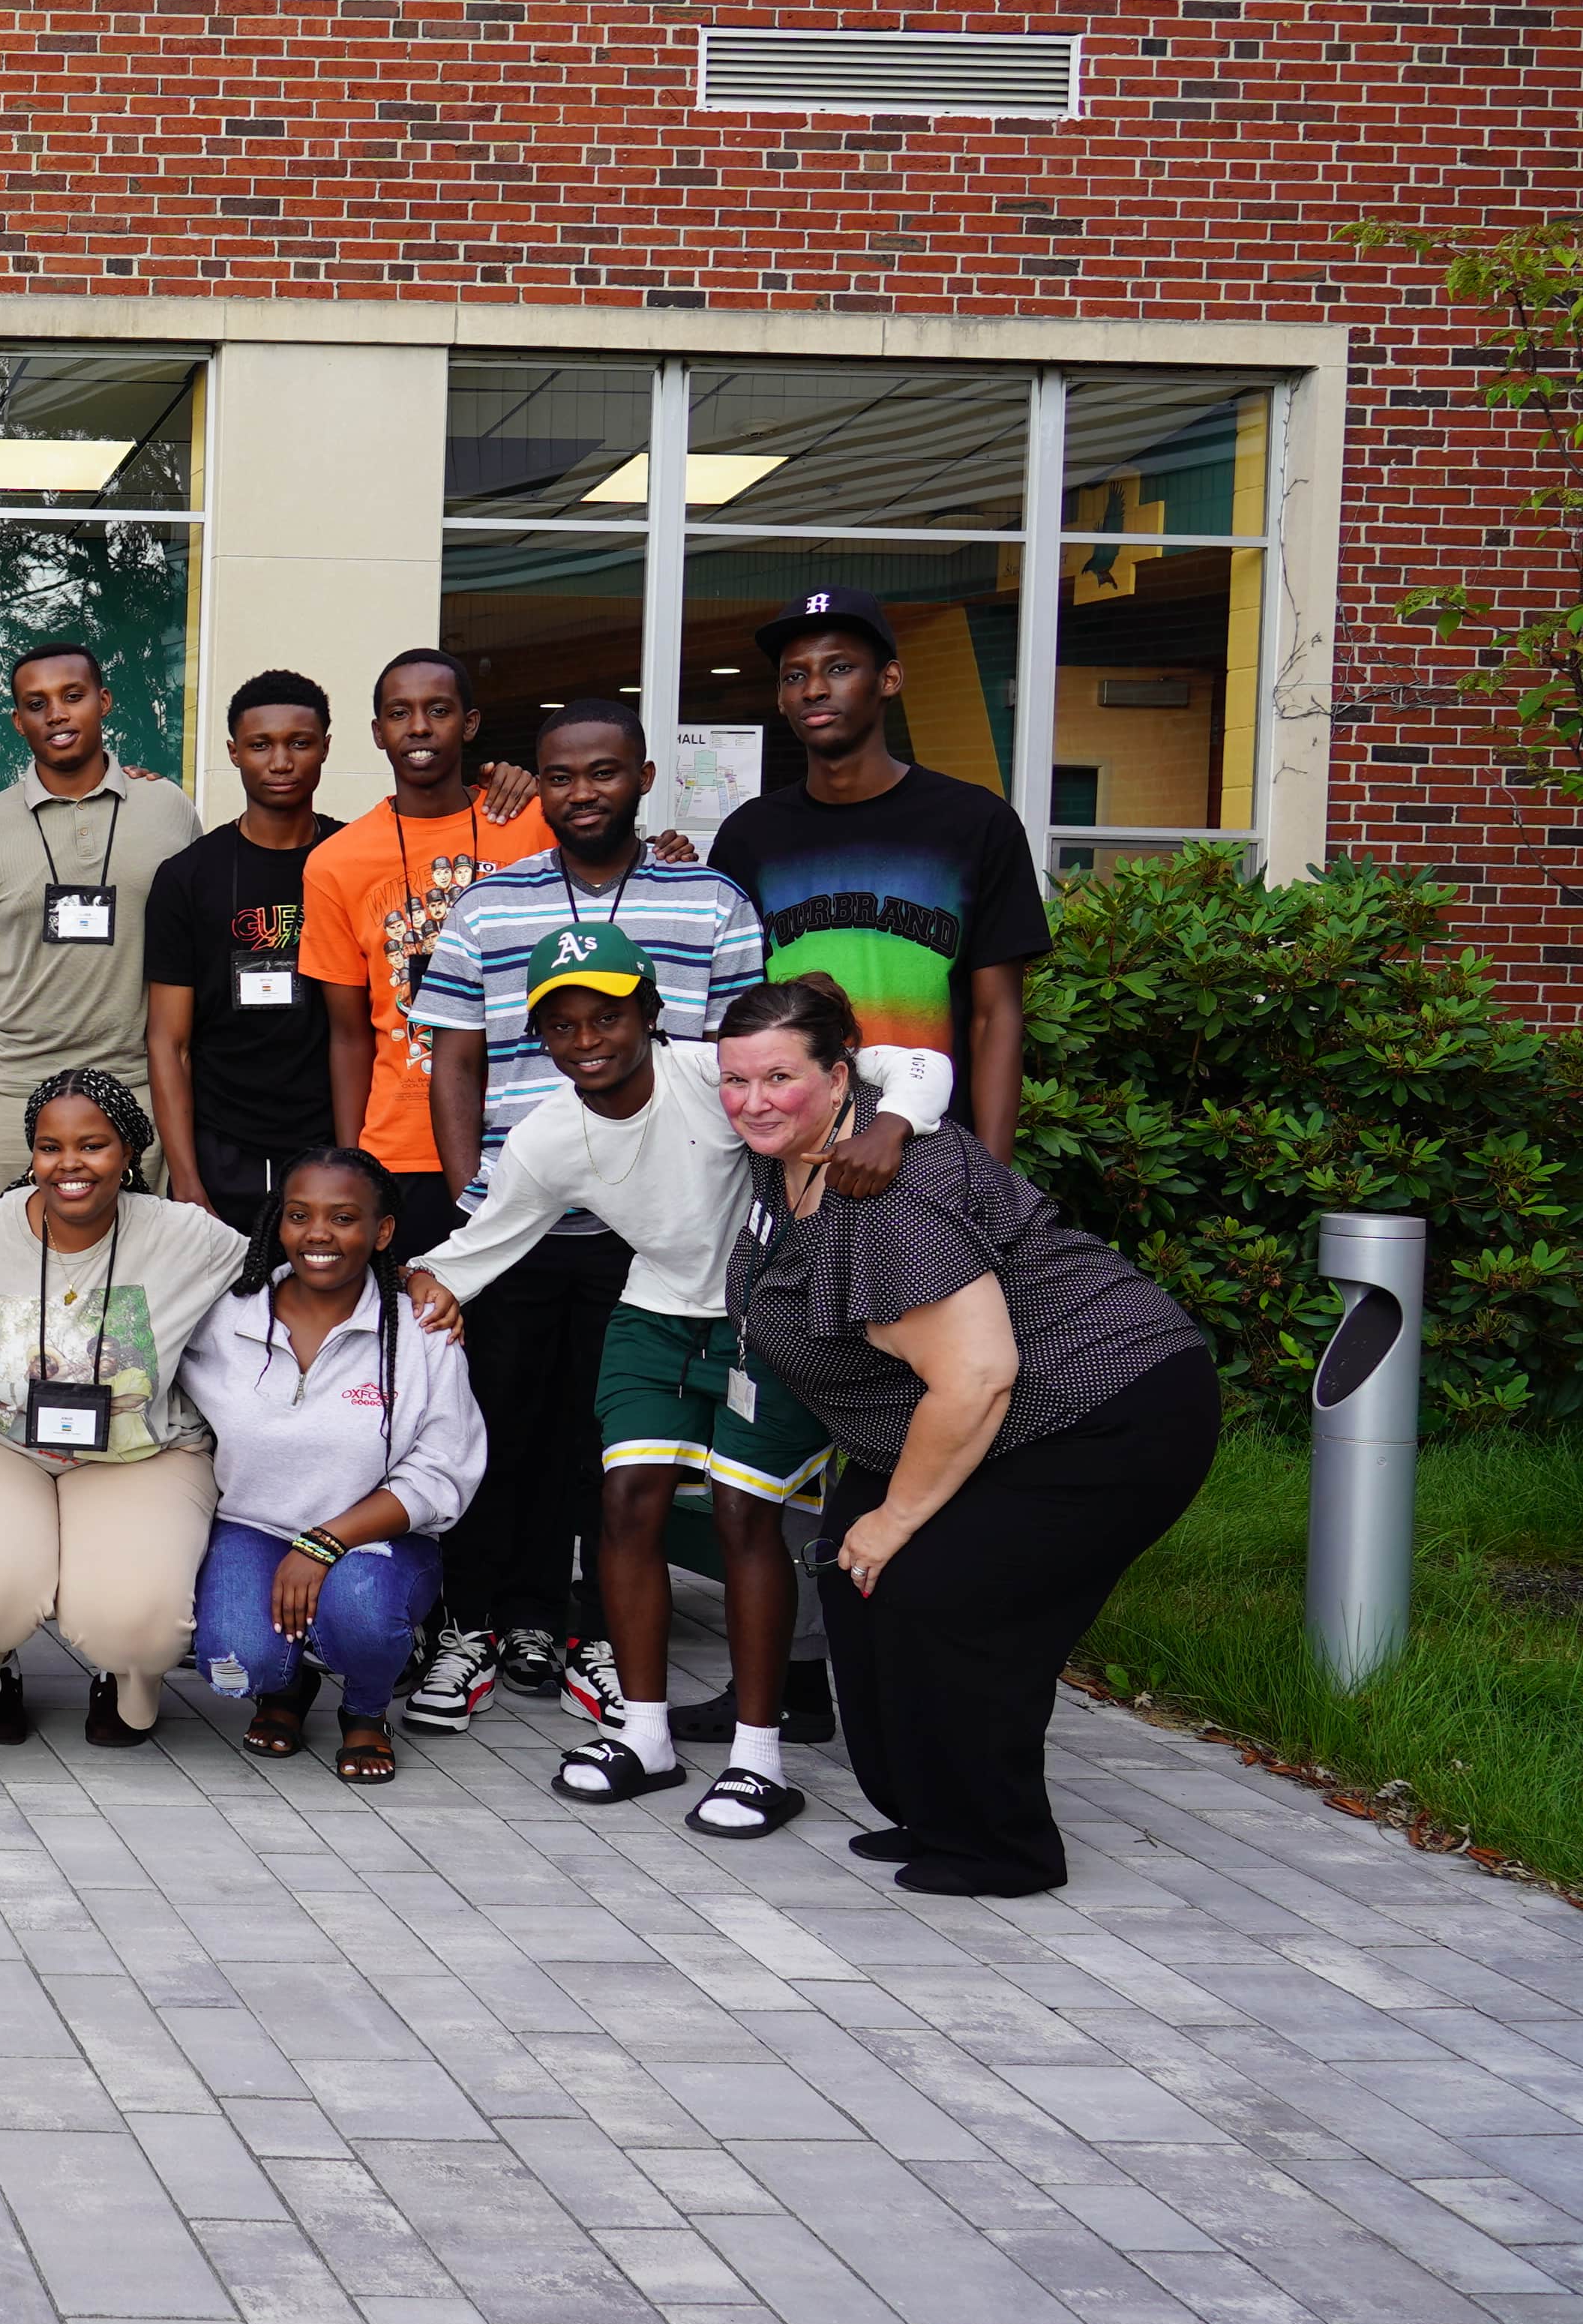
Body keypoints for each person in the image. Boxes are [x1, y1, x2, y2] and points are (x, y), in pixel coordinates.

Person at [406, 925, 943, 1832]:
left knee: (743, 1514)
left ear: (651, 1013)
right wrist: (426, 1282)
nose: (588, 1041)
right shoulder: (549, 1135)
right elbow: (483, 1243)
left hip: (763, 1315)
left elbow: (915, 1065)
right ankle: (646, 1735)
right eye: (564, 1026)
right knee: (625, 1503)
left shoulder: (719, 1072)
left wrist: (893, 1124)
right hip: (652, 1313)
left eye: (608, 1016)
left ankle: (757, 1758)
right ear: (540, 1039)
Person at [713, 974, 1213, 1897]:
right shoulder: (794, 1142)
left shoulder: (886, 1198)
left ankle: (1005, 1845)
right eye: (735, 1081)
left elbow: (978, 1373)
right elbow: (908, 1063)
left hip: (1102, 1408)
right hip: (960, 1416)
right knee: (855, 1584)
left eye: (778, 1078)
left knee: (946, 1595)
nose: (752, 1101)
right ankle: (932, 1814)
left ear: (837, 1077)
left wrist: (900, 1517)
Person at [397, 697, 760, 1732]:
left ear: (644, 779)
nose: (581, 793)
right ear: (537, 787)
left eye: (604, 773)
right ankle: (476, 1621)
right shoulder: (490, 907)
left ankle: (592, 1633)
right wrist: (480, 1191)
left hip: (656, 1234)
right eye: (560, 776)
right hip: (519, 1224)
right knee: (487, 1427)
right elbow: (456, 1056)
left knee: (609, 1444)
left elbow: (743, 1072)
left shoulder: (712, 902)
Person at [0, 1066, 250, 1747]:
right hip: (5, 1448)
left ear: (129, 1152)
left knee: (140, 1621)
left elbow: (294, 1265)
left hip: (144, 1455)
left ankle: (129, 1686)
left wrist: (420, 1283)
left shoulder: (190, 1237)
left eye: (93, 1145)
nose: (70, 1164)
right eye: (50, 1146)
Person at [178, 1147, 489, 1789]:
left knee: (363, 1614)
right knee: (237, 1661)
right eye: (299, 1215)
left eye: (343, 1218)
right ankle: (285, 1691)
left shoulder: (421, 1328)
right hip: (252, 1524)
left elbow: (444, 1467)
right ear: (278, 1224)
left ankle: (365, 1708)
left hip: (378, 1538)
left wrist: (327, 1541)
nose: (318, 1234)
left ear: (381, 1232)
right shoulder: (225, 1315)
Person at [712, 590, 1051, 1158]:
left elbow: (997, 1016)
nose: (815, 689)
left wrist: (993, 1178)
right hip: (790, 1148)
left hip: (936, 1150)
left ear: (889, 678)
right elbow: (730, 1006)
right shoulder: (749, 836)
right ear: (780, 697)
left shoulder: (974, 822)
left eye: (839, 668)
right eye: (795, 676)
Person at [296, 650, 550, 1257]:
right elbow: (350, 1034)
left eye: (438, 710)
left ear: (469, 723)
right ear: (378, 731)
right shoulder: (336, 862)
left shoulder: (535, 823)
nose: (418, 727)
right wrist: (353, 1161)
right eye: (399, 713)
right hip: (403, 1148)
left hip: (537, 1132)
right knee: (420, 1335)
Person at [0, 639, 202, 1210]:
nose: (56, 713)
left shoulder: (168, 811)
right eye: (37, 703)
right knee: (9, 1287)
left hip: (137, 1090)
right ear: (17, 720)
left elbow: (192, 964)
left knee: (127, 1282)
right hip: (12, 1095)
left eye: (72, 696)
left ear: (103, 702)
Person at [143, 671, 337, 1234]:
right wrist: (188, 1180)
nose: (281, 761)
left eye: (300, 743)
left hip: (326, 1138)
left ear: (325, 746)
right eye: (261, 745)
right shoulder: (187, 876)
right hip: (221, 1144)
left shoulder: (351, 859)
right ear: (234, 752)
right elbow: (168, 1041)